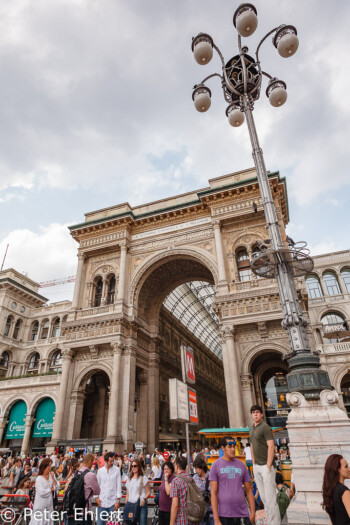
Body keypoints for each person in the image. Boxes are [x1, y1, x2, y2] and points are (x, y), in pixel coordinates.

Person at [210, 436, 255, 525]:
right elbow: (213, 493)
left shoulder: (242, 465)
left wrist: (252, 513)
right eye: (229, 447)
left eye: (234, 446)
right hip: (224, 515)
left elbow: (249, 490)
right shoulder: (215, 465)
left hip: (242, 514)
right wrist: (216, 519)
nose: (233, 449)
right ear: (223, 448)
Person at [249, 405, 280, 525]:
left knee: (271, 498)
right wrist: (253, 463)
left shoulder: (266, 427)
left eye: (257, 412)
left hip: (266, 467)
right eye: (253, 413)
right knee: (264, 498)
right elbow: (251, 446)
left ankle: (275, 523)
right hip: (257, 466)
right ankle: (270, 521)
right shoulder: (251, 428)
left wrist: (268, 466)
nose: (255, 414)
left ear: (262, 414)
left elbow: (271, 446)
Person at [322, 453, 350, 524]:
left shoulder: (329, 490)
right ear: (338, 470)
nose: (349, 469)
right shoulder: (344, 491)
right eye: (346, 466)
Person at [96, 452, 122, 525]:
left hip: (113, 503)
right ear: (106, 461)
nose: (112, 463)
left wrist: (118, 501)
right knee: (100, 523)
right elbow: (97, 485)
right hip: (102, 502)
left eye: (113, 461)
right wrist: (96, 498)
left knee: (114, 523)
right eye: (110, 461)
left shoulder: (117, 470)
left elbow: (118, 485)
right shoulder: (100, 471)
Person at [29, 458, 57, 525]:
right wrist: (50, 490)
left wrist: (53, 478)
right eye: (49, 466)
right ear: (44, 467)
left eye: (50, 466)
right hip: (41, 504)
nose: (50, 467)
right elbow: (41, 492)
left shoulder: (51, 476)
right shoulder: (39, 478)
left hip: (49, 503)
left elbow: (57, 486)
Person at [125, 458, 150, 525]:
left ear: (139, 467)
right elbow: (127, 494)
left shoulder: (143, 478)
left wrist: (144, 499)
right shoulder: (129, 479)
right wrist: (126, 505)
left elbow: (148, 492)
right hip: (131, 505)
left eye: (135, 466)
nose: (133, 468)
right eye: (132, 466)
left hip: (141, 505)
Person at [169, 456, 191, 525]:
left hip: (182, 518)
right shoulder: (191, 479)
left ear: (177, 466)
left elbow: (175, 505)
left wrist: (171, 523)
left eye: (174, 465)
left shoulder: (175, 481)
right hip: (193, 517)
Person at [193, 456, 212, 525]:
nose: (195, 470)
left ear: (202, 467)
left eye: (197, 468)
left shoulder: (211, 476)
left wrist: (210, 498)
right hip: (200, 513)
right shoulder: (195, 478)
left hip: (211, 512)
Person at [158, 460, 175, 525]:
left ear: (171, 470)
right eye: (164, 469)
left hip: (168, 510)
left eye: (168, 469)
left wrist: (166, 479)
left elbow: (168, 492)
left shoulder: (172, 479)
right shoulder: (164, 478)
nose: (166, 471)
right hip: (162, 509)